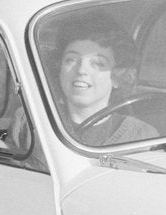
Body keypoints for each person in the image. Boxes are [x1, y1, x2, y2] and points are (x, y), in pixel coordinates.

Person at [49, 15, 156, 146]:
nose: (81, 70)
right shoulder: (33, 122)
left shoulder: (141, 135)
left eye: (98, 63)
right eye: (71, 60)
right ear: (59, 68)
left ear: (117, 77)